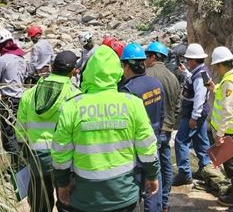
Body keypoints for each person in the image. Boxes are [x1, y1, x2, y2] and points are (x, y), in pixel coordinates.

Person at [52, 45, 160, 212]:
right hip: (125, 196)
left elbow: (60, 153)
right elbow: (147, 146)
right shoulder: (132, 103)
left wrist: (62, 184)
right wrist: (152, 175)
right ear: (117, 72)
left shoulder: (71, 107)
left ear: (87, 73)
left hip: (86, 198)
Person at [16, 51, 80, 212]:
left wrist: (24, 153)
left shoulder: (30, 93)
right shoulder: (75, 95)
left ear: (52, 67)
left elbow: (20, 129)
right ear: (73, 71)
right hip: (65, 159)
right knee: (67, 203)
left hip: (37, 157)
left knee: (40, 205)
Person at [119, 43, 165, 212]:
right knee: (154, 184)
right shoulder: (156, 84)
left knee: (140, 187)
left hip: (136, 146)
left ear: (126, 65)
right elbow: (162, 114)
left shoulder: (128, 91)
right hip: (154, 140)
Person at [205, 47, 233, 212]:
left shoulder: (230, 82)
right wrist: (215, 89)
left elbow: (227, 110)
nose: (216, 68)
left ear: (222, 64)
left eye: (216, 65)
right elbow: (227, 99)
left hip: (231, 133)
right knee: (231, 168)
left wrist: (220, 134)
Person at [145, 42, 181, 212]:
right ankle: (165, 202)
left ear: (152, 57)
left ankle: (155, 203)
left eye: (146, 56)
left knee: (154, 166)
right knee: (166, 164)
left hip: (153, 128)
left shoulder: (147, 75)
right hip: (167, 128)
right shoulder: (173, 77)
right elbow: (177, 105)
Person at [0, 29, 26, 170]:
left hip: (8, 101)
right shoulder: (21, 58)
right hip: (22, 99)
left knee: (9, 137)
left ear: (0, 45)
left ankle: (18, 167)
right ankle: (20, 164)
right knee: (19, 133)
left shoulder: (2, 60)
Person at [172, 43, 212, 186]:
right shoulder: (201, 72)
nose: (187, 61)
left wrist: (194, 118)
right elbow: (197, 85)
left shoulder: (200, 77)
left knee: (181, 141)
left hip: (193, 114)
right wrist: (186, 73)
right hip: (200, 114)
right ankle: (206, 169)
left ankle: (184, 174)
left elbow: (200, 98)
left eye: (188, 59)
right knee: (201, 141)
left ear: (194, 60)